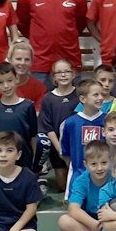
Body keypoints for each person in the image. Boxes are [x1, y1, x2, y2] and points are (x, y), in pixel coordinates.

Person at [15, 0, 88, 85]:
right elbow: (22, 23)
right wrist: (40, 38)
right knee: (40, 99)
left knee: (73, 99)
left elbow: (80, 24)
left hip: (70, 62)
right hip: (40, 64)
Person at [58, 140, 109, 231]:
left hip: (111, 217)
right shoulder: (81, 180)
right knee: (64, 221)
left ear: (110, 161)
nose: (99, 168)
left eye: (104, 163)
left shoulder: (114, 177)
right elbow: (73, 209)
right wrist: (95, 225)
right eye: (94, 164)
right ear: (86, 165)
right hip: (91, 220)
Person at [0, 62, 38, 169]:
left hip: (23, 161)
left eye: (9, 80)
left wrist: (34, 160)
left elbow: (33, 136)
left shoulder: (27, 106)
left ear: (16, 79)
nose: (6, 86)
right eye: (0, 82)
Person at [37, 59, 78, 188]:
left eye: (67, 71)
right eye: (59, 72)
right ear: (53, 77)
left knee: (77, 181)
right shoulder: (48, 98)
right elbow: (47, 127)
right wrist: (60, 149)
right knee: (63, 185)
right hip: (57, 146)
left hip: (77, 145)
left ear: (73, 74)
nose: (63, 75)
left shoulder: (80, 95)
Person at [60, 79, 106, 190]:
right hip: (78, 176)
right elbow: (65, 153)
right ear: (83, 99)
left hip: (103, 176)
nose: (100, 97)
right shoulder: (70, 122)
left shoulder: (107, 120)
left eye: (102, 94)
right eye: (96, 95)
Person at [0, 40, 47, 110]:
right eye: (18, 59)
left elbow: (38, 114)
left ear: (32, 62)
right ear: (9, 60)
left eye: (27, 59)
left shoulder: (39, 88)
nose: (22, 63)